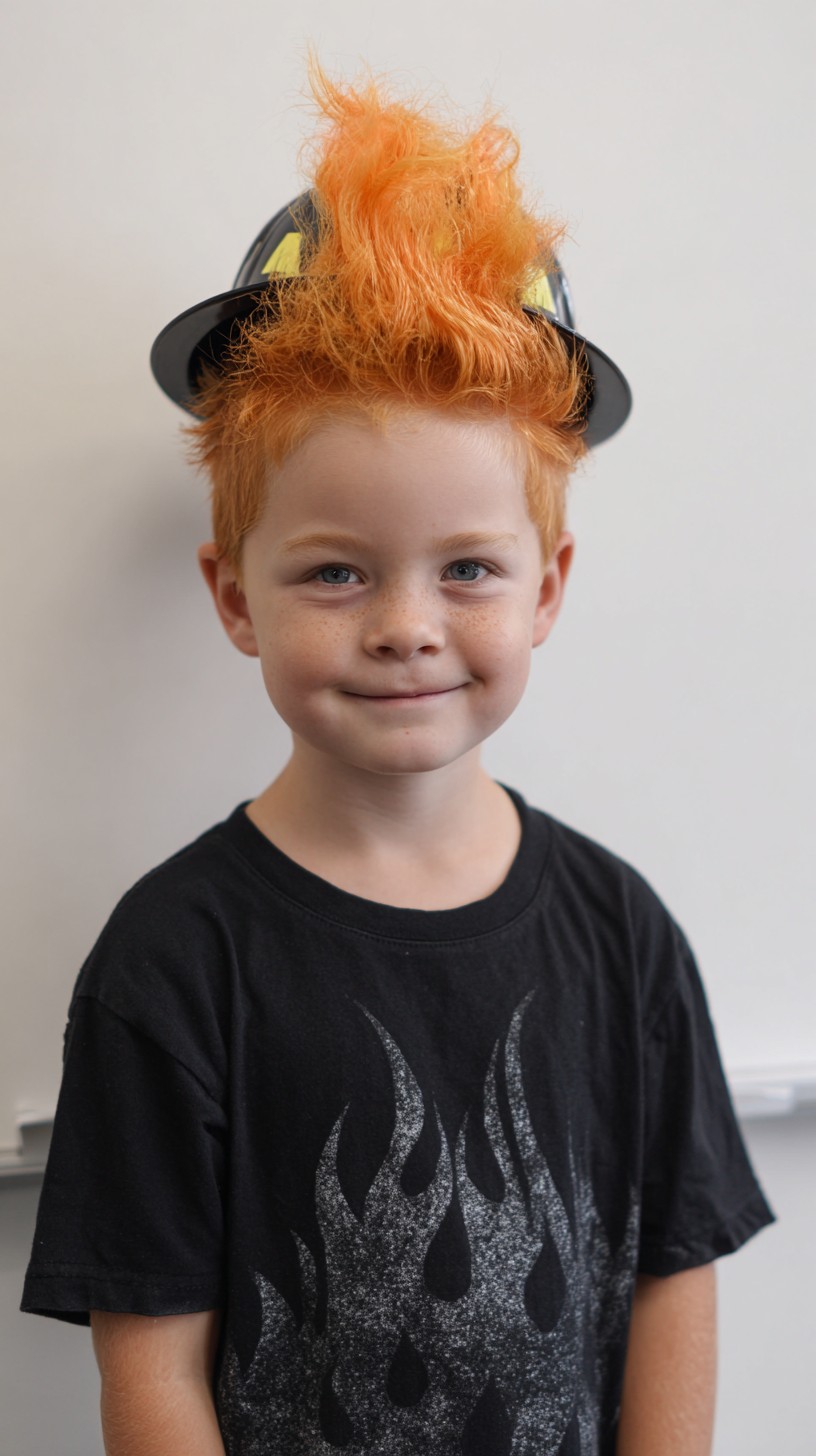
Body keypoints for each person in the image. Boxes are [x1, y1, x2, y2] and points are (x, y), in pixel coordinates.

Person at [21, 53, 775, 1456]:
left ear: (548, 589)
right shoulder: (170, 964)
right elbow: (153, 1372)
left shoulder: (625, 935)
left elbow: (675, 1280)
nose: (408, 627)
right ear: (235, 597)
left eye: (469, 569)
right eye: (337, 572)